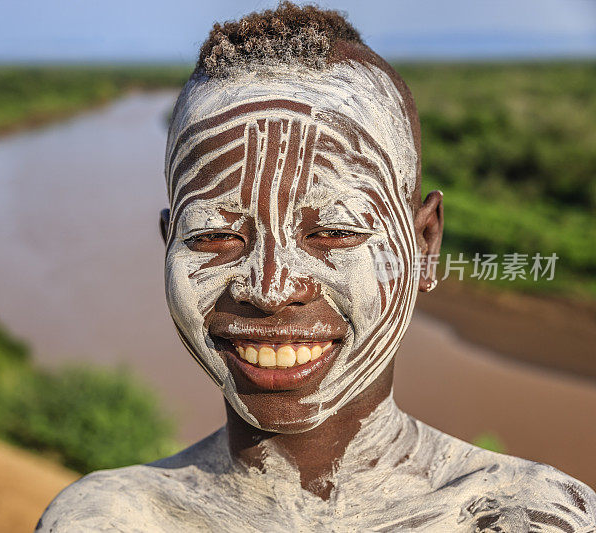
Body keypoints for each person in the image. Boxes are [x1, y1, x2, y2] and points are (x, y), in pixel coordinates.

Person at [37, 4, 596, 531]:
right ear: (168, 246)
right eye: (215, 236)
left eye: (333, 231)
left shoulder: (531, 517)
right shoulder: (107, 519)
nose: (271, 288)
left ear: (424, 245)